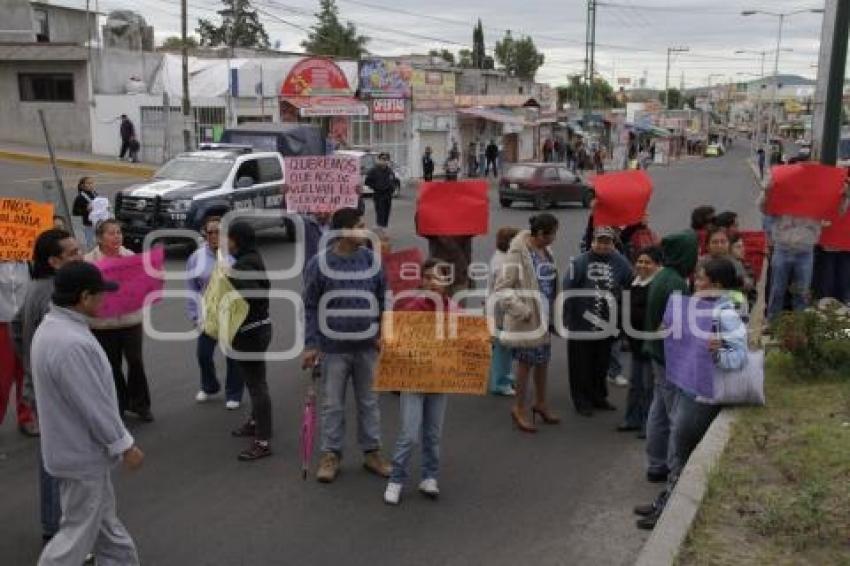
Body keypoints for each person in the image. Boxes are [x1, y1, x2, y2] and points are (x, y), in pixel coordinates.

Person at [33, 261, 143, 566]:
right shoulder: (71, 343)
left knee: (105, 526)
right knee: (75, 536)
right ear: (84, 297)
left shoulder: (56, 329)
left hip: (75, 452)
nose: (104, 300)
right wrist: (124, 445)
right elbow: (93, 406)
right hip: (81, 455)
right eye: (99, 294)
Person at [635, 258, 747, 530]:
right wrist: (670, 331)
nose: (694, 282)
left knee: (680, 450)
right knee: (677, 449)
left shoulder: (726, 314)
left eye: (700, 278)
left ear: (716, 285)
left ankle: (669, 509)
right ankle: (667, 501)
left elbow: (738, 357)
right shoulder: (694, 307)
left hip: (703, 395)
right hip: (687, 387)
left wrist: (716, 350)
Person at [303, 208, 391, 483]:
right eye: (359, 226)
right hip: (333, 349)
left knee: (369, 402)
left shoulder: (372, 261)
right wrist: (311, 344)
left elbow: (384, 297)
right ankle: (330, 455)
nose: (365, 231)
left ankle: (372, 453)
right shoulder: (319, 264)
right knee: (333, 405)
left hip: (367, 347)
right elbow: (309, 306)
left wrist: (384, 331)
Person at [11, 229, 82, 544]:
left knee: (55, 458)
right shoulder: (53, 296)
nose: (80, 257)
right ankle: (58, 529)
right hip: (55, 393)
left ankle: (59, 524)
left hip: (39, 387)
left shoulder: (35, 288)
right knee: (59, 462)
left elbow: (16, 327)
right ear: (53, 261)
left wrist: (28, 361)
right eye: (72, 254)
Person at [383, 259, 456, 505]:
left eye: (437, 278)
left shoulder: (453, 310)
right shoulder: (412, 308)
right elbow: (396, 340)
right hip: (414, 379)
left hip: (439, 379)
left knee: (433, 434)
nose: (431, 282)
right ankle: (396, 479)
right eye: (426, 277)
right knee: (409, 434)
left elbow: (463, 341)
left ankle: (429, 476)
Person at [494, 214, 561, 433]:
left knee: (543, 361)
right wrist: (522, 310)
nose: (554, 238)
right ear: (541, 233)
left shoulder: (546, 251)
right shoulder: (517, 253)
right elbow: (502, 289)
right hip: (528, 319)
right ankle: (519, 408)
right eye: (552, 233)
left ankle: (540, 403)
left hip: (544, 315)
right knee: (526, 365)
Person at [643, 230, 698, 483]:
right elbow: (681, 326)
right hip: (668, 356)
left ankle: (656, 462)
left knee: (659, 410)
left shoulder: (664, 275)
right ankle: (675, 469)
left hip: (657, 350)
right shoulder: (674, 282)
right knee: (675, 414)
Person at [84, 220, 153, 422]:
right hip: (103, 325)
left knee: (136, 362)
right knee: (111, 366)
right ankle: (119, 405)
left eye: (119, 232)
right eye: (111, 233)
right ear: (99, 238)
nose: (117, 237)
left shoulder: (130, 257)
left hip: (130, 321)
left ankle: (140, 404)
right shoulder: (89, 262)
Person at [563, 226, 633, 416]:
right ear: (592, 242)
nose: (603, 245)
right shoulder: (579, 262)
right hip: (581, 324)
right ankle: (581, 400)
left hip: (607, 323)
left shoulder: (620, 262)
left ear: (612, 244)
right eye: (599, 241)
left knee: (600, 363)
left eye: (607, 242)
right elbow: (567, 290)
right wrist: (566, 317)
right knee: (580, 364)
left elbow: (630, 283)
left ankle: (598, 397)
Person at [226, 222, 274, 461]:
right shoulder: (251, 257)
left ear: (237, 239)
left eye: (229, 239)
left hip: (252, 333)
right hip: (255, 330)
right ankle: (256, 422)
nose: (226, 244)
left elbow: (252, 295)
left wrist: (228, 279)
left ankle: (263, 441)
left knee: (257, 386)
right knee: (254, 381)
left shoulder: (244, 265)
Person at [186, 217, 243, 410]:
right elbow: (192, 288)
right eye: (210, 232)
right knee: (203, 355)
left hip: (230, 313)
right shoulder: (196, 258)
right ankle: (209, 386)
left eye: (218, 231)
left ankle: (234, 393)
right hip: (207, 314)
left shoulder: (234, 256)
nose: (213, 236)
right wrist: (194, 315)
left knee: (233, 356)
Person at [617, 246, 662, 437]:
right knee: (635, 384)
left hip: (649, 344)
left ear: (657, 265)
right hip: (635, 344)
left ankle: (648, 424)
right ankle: (632, 419)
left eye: (647, 262)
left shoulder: (656, 286)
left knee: (648, 386)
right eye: (640, 261)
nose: (642, 265)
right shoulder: (633, 283)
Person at [0, 260, 37, 436]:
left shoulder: (27, 259)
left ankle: (26, 416)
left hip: (25, 321)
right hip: (1, 323)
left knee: (26, 372)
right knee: (2, 379)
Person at [488, 226, 519, 396]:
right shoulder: (503, 262)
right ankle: (500, 383)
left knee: (503, 347)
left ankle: (503, 377)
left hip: (497, 309)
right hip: (501, 311)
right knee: (503, 348)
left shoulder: (500, 257)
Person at [365, 153, 397, 229]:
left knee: (386, 213)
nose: (385, 161)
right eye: (383, 159)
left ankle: (384, 228)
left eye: (386, 159)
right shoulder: (374, 170)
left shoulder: (389, 170)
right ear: (379, 160)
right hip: (379, 195)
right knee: (380, 213)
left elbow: (393, 180)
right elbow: (367, 181)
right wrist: (376, 187)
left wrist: (392, 188)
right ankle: (380, 229)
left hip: (388, 195)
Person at [71, 177, 98, 251]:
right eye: (88, 183)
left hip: (97, 223)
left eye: (92, 183)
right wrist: (86, 210)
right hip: (87, 225)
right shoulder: (80, 198)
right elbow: (75, 212)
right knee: (90, 244)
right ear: (82, 186)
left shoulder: (95, 194)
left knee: (98, 242)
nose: (91, 185)